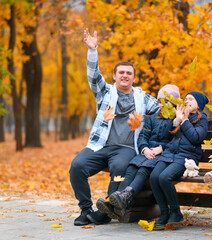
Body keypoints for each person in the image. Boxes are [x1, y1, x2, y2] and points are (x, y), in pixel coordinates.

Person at [69, 29, 159, 226]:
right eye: (121, 72)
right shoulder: (105, 93)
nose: (125, 76)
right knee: (76, 166)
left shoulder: (142, 97)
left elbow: (161, 110)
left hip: (126, 149)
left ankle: (107, 210)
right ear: (115, 76)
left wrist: (182, 108)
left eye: (129, 73)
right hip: (100, 145)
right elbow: (93, 77)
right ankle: (86, 210)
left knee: (119, 167)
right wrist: (92, 51)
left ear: (134, 78)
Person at [95, 84, 181, 218]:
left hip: (162, 156)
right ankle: (115, 201)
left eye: (166, 102)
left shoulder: (176, 119)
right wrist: (144, 149)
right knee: (131, 168)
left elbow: (177, 140)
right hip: (147, 153)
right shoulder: (153, 118)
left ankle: (124, 198)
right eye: (159, 101)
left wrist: (161, 148)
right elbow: (143, 136)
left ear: (174, 103)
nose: (162, 105)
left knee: (142, 170)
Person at [149, 91, 209, 230]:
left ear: (198, 105)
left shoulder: (202, 118)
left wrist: (185, 121)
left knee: (165, 177)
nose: (187, 101)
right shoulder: (179, 116)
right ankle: (164, 213)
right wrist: (176, 121)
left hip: (187, 157)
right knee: (154, 176)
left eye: (191, 99)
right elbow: (166, 137)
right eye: (185, 98)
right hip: (170, 153)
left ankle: (175, 212)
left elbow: (196, 138)